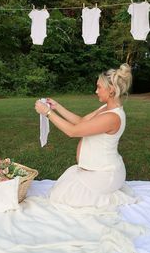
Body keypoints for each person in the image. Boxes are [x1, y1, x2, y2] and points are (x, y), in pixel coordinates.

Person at [35, 63, 137, 208]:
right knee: (62, 194)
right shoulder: (105, 108)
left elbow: (73, 131)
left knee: (67, 200)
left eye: (99, 87)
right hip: (93, 171)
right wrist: (57, 107)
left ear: (112, 90)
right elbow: (81, 122)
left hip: (105, 174)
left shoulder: (112, 117)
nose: (96, 91)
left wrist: (47, 112)